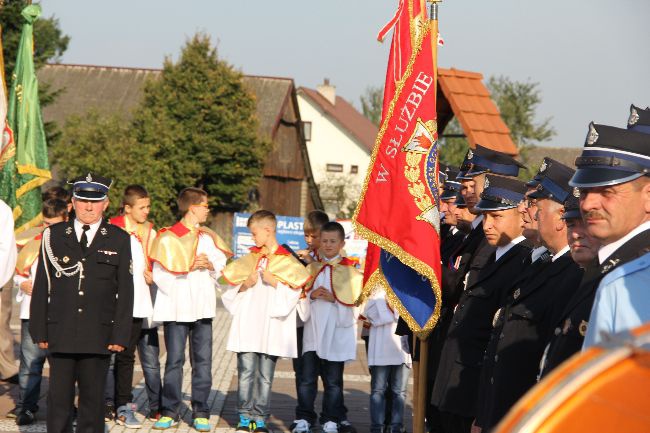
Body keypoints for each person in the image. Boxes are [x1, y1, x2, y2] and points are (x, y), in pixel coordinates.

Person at [474, 162, 584, 432]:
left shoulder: (571, 275)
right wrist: (483, 416)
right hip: (500, 414)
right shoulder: (539, 265)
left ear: (561, 217)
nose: (524, 209)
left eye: (535, 204)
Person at [29, 173, 134, 433]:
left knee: (93, 402)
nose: (89, 207)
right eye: (83, 200)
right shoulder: (53, 236)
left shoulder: (119, 239)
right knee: (59, 402)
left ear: (105, 204)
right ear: (72, 203)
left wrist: (120, 333)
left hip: (99, 333)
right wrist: (39, 329)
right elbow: (42, 286)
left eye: (95, 201)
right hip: (61, 330)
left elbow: (127, 291)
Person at [431, 174, 533, 433]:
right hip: (453, 381)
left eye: (497, 217)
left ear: (521, 216)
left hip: (475, 388)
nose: (487, 224)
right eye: (486, 216)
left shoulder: (522, 262)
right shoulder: (488, 254)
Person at [149, 187, 231, 431]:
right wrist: (185, 266)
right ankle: (170, 410)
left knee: (203, 361)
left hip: (202, 308)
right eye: (205, 206)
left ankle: (201, 410)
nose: (208, 210)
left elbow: (222, 270)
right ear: (193, 207)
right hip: (178, 307)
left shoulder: (208, 237)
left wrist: (210, 265)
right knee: (174, 360)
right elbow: (160, 274)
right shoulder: (167, 237)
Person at [222, 210, 311, 433]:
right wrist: (245, 284)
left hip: (271, 327)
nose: (253, 239)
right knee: (245, 372)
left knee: (264, 375)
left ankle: (259, 418)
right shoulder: (249, 259)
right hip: (249, 323)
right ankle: (244, 416)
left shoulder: (288, 262)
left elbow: (293, 296)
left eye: (254, 234)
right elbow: (230, 290)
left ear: (268, 230)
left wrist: (276, 283)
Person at [567, 123, 650, 347]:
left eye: (607, 191)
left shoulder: (635, 276)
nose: (587, 204)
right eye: (584, 192)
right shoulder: (605, 264)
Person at [294, 222, 362, 433]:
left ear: (342, 243)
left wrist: (335, 299)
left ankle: (330, 419)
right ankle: (304, 418)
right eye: (324, 241)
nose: (328, 245)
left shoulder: (351, 272)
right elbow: (300, 297)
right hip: (313, 331)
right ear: (319, 242)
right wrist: (310, 295)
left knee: (333, 381)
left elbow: (356, 305)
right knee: (307, 379)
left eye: (333, 241)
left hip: (334, 333)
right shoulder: (311, 268)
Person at [12, 199, 68, 425]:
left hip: (62, 314)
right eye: (45, 223)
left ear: (66, 220)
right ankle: (26, 407)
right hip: (32, 311)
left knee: (62, 364)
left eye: (53, 224)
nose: (48, 229)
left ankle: (62, 407)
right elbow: (18, 272)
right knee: (30, 363)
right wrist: (21, 283)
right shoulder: (32, 243)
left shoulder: (73, 246)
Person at [106, 185, 158, 427]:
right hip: (110, 303)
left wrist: (153, 275)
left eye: (148, 206)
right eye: (142, 207)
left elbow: (157, 264)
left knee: (127, 357)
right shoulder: (111, 228)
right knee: (104, 356)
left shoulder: (149, 232)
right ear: (127, 208)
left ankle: (123, 405)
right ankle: (102, 402)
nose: (147, 211)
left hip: (137, 302)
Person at [538, 188, 601, 378]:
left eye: (586, 223)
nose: (575, 234)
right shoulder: (581, 278)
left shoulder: (611, 280)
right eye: (572, 224)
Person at [364, 286, 411, 433]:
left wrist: (389, 308)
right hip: (380, 350)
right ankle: (377, 428)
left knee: (400, 392)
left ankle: (396, 427)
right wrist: (390, 308)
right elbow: (369, 314)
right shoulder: (376, 290)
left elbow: (409, 316)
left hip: (401, 349)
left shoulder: (406, 287)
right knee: (378, 390)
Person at [0, 198, 18, 388]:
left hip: (0, 276)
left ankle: (7, 368)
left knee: (1, 323)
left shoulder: (1, 209)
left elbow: (5, 248)